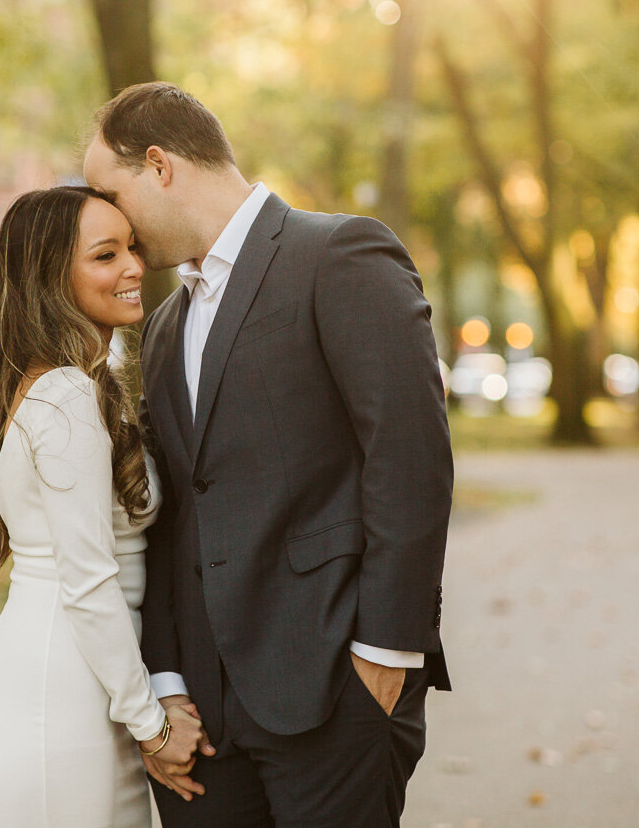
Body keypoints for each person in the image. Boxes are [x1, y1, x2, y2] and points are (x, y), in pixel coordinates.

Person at [83, 82, 454, 828]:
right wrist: (162, 678)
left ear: (159, 166)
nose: (106, 216)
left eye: (108, 191)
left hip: (334, 685)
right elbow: (172, 513)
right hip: (203, 717)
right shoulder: (161, 326)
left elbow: (410, 457)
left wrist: (388, 651)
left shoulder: (339, 254)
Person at [0, 185, 211, 828]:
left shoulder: (75, 385)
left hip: (85, 686)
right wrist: (152, 725)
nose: (133, 267)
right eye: (105, 255)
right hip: (56, 695)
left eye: (130, 247)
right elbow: (90, 580)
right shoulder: (67, 395)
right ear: (51, 279)